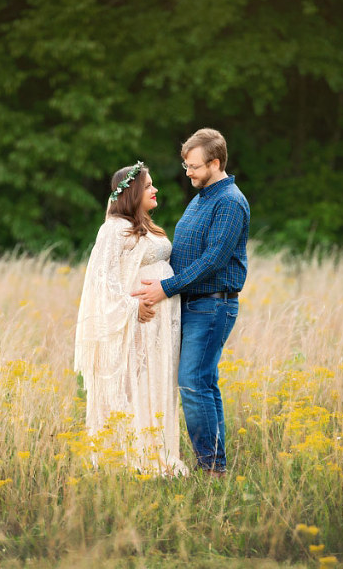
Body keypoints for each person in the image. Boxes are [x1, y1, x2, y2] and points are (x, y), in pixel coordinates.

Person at [132, 128, 250, 477]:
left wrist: (167, 287)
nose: (188, 173)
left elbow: (214, 259)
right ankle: (215, 464)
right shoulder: (202, 196)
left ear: (215, 163)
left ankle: (213, 468)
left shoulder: (229, 201)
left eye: (194, 166)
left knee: (192, 382)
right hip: (194, 303)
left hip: (213, 305)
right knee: (203, 381)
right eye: (185, 166)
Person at [75, 162, 188, 476]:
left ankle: (158, 449)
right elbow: (102, 279)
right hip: (137, 323)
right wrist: (131, 307)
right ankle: (131, 455)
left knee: (155, 380)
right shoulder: (113, 228)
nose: (155, 190)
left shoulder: (144, 225)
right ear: (133, 192)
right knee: (136, 382)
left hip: (159, 327)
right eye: (149, 185)